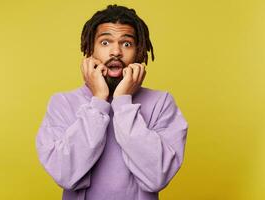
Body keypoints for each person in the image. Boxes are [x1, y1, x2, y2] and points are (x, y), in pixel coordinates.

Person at [36, 4, 188, 200]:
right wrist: (98, 101)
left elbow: (157, 176)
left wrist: (123, 103)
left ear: (139, 52)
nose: (116, 52)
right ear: (90, 49)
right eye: (105, 43)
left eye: (126, 44)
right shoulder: (62, 103)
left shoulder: (162, 103)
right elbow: (66, 175)